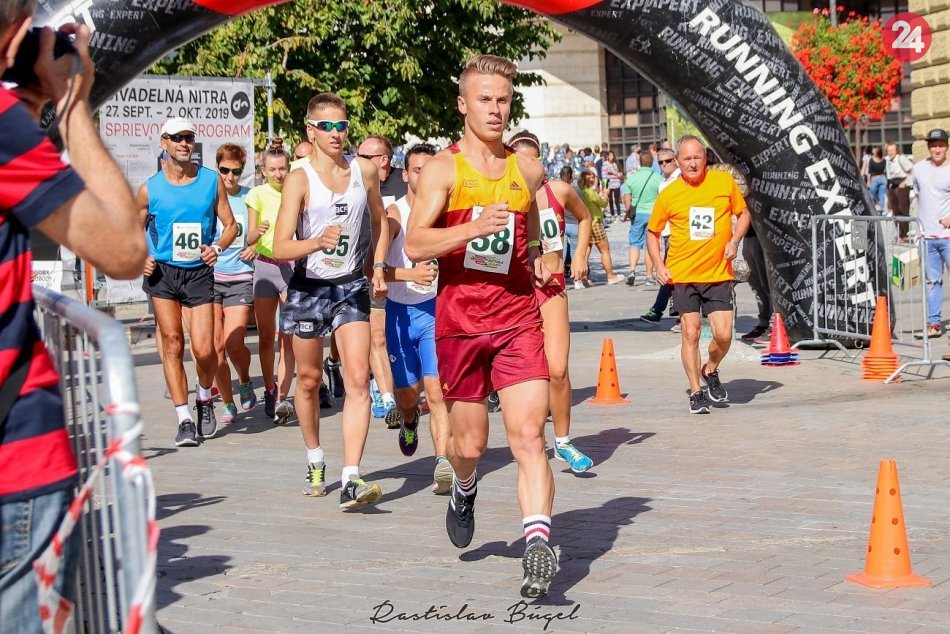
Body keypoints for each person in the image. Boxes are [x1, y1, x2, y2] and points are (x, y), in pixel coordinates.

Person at [0, 13, 147, 631]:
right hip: (17, 461)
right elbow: (122, 249)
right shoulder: (4, 126)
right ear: (17, 33)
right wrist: (72, 106)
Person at [405, 54, 558, 599]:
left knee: (528, 437)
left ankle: (538, 543)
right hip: (460, 325)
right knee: (469, 444)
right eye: (485, 100)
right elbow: (416, 242)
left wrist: (538, 250)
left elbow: (534, 220)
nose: (495, 110)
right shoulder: (444, 170)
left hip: (517, 319)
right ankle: (464, 486)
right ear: (463, 104)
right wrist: (469, 229)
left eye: (503, 100)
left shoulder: (527, 168)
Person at [272, 92, 389, 510]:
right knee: (307, 379)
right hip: (307, 288)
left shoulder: (365, 170)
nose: (338, 134)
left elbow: (381, 221)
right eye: (328, 127)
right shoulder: (299, 178)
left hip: (350, 285)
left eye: (342, 125)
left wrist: (377, 264)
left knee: (358, 380)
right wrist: (315, 241)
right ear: (311, 131)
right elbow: (280, 246)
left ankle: (351, 477)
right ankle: (315, 458)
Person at [139, 117, 237, 445]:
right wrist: (141, 255)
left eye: (189, 138)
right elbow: (130, 229)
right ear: (163, 143)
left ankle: (204, 395)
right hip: (163, 272)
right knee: (171, 342)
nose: (184, 143)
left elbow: (230, 226)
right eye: (177, 138)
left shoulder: (211, 181)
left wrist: (217, 247)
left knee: (206, 349)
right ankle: (183, 419)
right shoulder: (149, 188)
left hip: (198, 271)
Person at [509, 131, 594, 473]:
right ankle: (531, 440)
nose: (525, 167)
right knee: (527, 374)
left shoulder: (557, 191)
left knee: (557, 369)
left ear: (541, 163)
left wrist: (581, 257)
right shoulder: (501, 198)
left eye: (531, 160)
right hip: (515, 293)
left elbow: (585, 217)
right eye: (517, 160)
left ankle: (563, 442)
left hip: (553, 289)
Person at [646, 135, 751, 415]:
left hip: (717, 273)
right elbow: (653, 232)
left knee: (724, 334)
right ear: (678, 162)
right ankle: (695, 391)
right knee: (690, 333)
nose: (692, 163)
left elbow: (743, 214)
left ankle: (711, 369)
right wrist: (659, 264)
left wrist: (734, 241)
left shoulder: (723, 183)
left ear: (705, 158)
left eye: (697, 157)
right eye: (687, 159)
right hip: (683, 274)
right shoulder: (669, 193)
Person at [380, 143, 453, 493]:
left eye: (430, 168)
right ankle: (410, 419)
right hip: (400, 313)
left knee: (436, 392)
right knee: (407, 394)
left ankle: (443, 463)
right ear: (406, 174)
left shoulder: (445, 212)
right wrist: (410, 276)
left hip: (435, 312)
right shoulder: (394, 215)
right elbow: (372, 271)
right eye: (417, 169)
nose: (423, 175)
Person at [246, 147, 302, 423]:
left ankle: (283, 394)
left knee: (288, 335)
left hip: (291, 266)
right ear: (263, 171)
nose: (279, 174)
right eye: (273, 169)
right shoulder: (256, 194)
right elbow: (249, 236)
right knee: (266, 335)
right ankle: (269, 388)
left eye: (283, 168)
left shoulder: (297, 190)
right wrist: (259, 231)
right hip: (266, 266)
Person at [357, 135, 404, 420]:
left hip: (408, 274)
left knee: (397, 337)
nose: (357, 161)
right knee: (376, 334)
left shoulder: (405, 182)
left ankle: (401, 389)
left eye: (364, 156)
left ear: (383, 160)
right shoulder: (355, 181)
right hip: (369, 269)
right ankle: (385, 395)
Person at [212, 143, 257, 424]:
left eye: (236, 172)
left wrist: (258, 247)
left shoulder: (251, 197)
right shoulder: (206, 196)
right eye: (224, 170)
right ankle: (228, 404)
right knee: (213, 346)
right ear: (217, 168)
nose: (229, 177)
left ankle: (243, 378)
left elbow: (268, 230)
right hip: (209, 277)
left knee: (233, 343)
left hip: (240, 276)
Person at [911, 129, 950, 342]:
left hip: (948, 237)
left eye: (941, 145)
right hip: (927, 237)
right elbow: (916, 196)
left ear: (947, 147)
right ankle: (935, 324)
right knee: (933, 283)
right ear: (928, 147)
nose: (937, 149)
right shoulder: (919, 169)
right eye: (933, 145)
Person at [640, 148, 681, 326]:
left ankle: (659, 310)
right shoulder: (663, 182)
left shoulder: (679, 179)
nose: (664, 164)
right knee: (670, 273)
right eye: (661, 162)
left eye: (668, 161)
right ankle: (668, 310)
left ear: (676, 160)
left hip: (677, 233)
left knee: (671, 273)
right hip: (667, 232)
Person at [622, 149, 662, 286]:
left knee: (634, 243)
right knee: (649, 245)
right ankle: (649, 276)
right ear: (652, 162)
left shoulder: (632, 178)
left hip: (637, 213)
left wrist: (628, 209)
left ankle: (632, 270)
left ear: (639, 162)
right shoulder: (658, 178)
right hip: (653, 214)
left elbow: (627, 197)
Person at [579, 169, 624, 285]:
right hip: (596, 223)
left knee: (586, 252)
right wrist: (606, 193)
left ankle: (583, 277)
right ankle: (610, 275)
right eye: (592, 177)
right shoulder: (590, 192)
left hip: (585, 224)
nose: (594, 179)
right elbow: (603, 203)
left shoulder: (581, 192)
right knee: (604, 250)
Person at [885, 142, 914, 242]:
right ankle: (899, 233)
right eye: (889, 151)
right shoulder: (888, 160)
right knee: (895, 210)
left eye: (892, 150)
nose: (890, 152)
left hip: (902, 184)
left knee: (903, 209)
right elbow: (890, 175)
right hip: (893, 185)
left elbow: (911, 170)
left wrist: (906, 182)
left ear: (896, 150)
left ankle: (904, 233)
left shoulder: (901, 158)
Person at [865, 146, 887, 212]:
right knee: (878, 193)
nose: (873, 152)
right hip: (880, 178)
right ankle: (880, 206)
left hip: (877, 178)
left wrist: (868, 181)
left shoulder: (873, 160)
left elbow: (870, 171)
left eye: (874, 151)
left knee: (875, 193)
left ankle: (880, 206)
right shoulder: (883, 160)